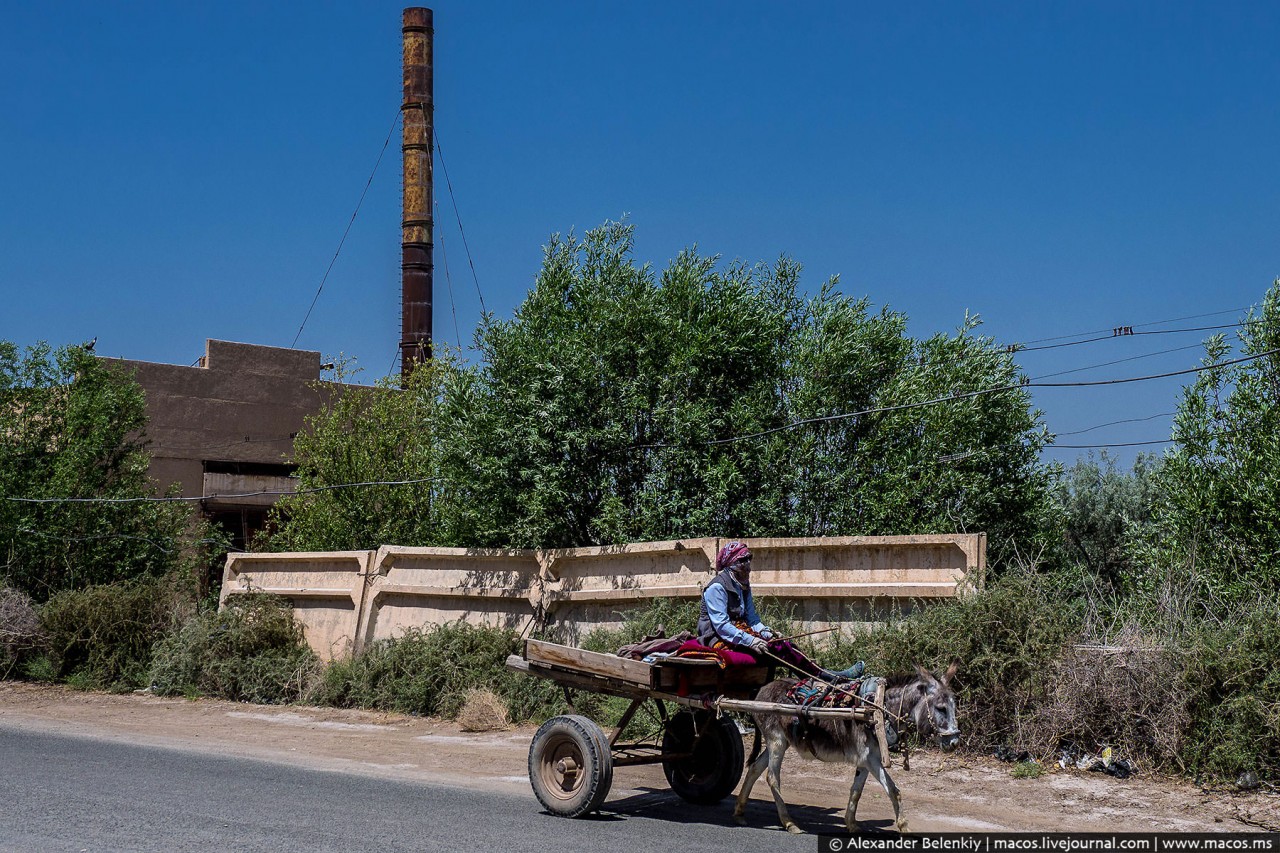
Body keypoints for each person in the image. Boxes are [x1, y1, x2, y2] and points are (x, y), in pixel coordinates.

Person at [696, 541, 862, 682]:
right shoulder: (717, 587)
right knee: (777, 650)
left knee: (784, 645)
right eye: (742, 561)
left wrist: (767, 633)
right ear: (731, 565)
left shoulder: (743, 585)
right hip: (717, 638)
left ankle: (819, 674)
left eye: (749, 559)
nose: (748, 565)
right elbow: (721, 626)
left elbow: (752, 620)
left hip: (738, 632)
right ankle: (824, 677)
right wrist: (751, 641)